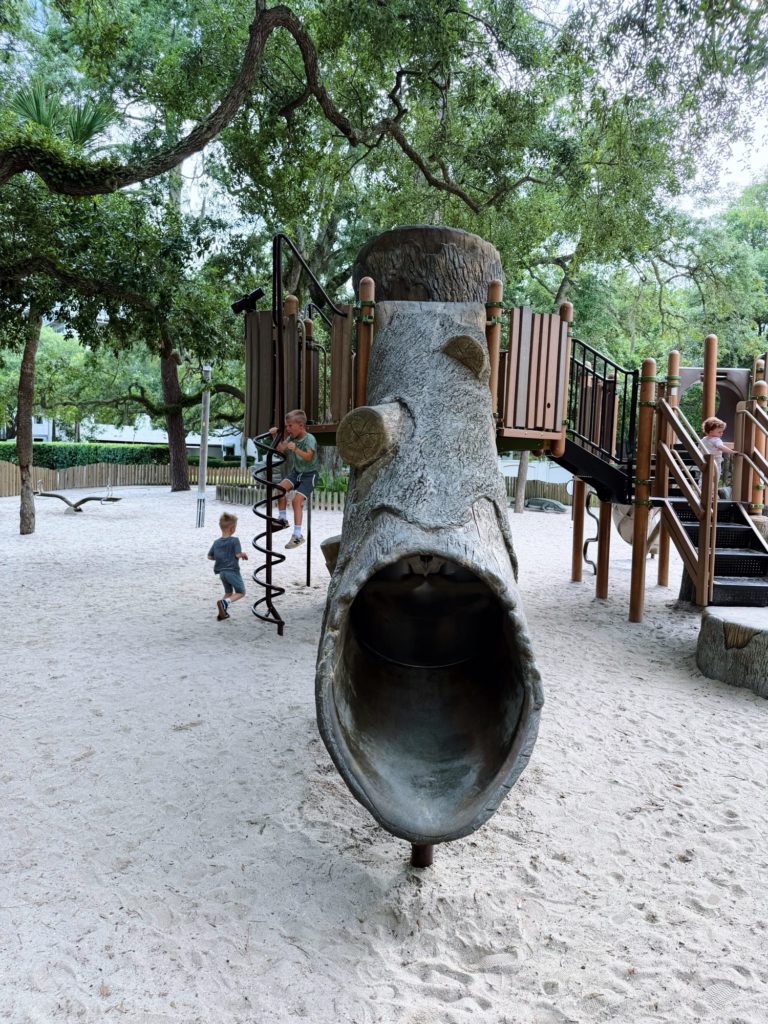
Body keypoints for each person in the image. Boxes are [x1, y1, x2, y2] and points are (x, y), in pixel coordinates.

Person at [269, 409, 318, 549]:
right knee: (279, 489)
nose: (287, 429)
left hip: (310, 475)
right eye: (286, 426)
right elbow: (281, 449)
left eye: (290, 426)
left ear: (301, 425)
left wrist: (296, 449)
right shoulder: (292, 438)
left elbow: (308, 457)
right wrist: (274, 436)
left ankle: (297, 536)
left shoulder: (310, 439)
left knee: (296, 500)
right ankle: (282, 519)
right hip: (297, 472)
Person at [207, 512, 249, 620]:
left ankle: (222, 612)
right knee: (241, 592)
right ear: (232, 528)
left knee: (228, 592)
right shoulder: (234, 540)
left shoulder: (216, 542)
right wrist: (243, 554)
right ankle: (225, 603)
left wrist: (221, 556)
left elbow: (210, 557)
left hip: (222, 573)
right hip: (232, 571)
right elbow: (237, 554)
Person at [700, 416, 733, 491]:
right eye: (719, 432)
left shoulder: (703, 440)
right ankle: (712, 493)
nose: (722, 433)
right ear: (711, 432)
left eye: (722, 431)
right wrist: (732, 451)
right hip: (716, 461)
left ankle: (701, 490)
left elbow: (699, 448)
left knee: (704, 477)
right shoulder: (716, 440)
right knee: (715, 477)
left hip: (705, 461)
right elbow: (720, 447)